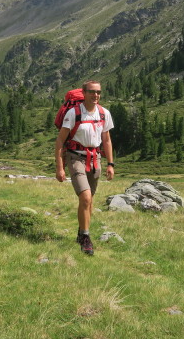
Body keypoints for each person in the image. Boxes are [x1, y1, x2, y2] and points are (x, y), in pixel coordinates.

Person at [55, 80, 114, 255]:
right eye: (92, 92)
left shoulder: (104, 113)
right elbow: (60, 140)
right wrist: (60, 167)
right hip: (75, 158)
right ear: (84, 93)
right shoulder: (73, 113)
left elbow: (107, 140)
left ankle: (81, 233)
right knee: (86, 197)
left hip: (95, 159)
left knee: (89, 201)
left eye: (98, 92)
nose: (95, 95)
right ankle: (86, 239)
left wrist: (110, 164)